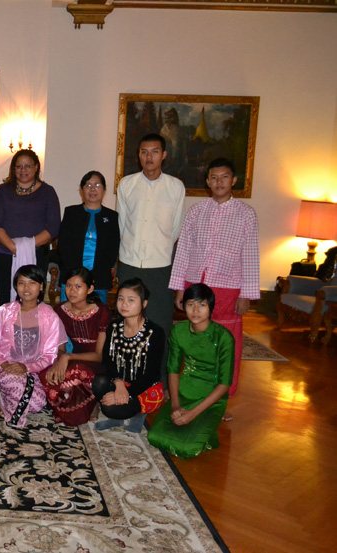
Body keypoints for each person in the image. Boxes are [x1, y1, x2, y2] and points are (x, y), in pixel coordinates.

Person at [169, 158, 259, 411]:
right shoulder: (196, 212)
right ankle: (191, 392)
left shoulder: (246, 214)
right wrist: (179, 287)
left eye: (225, 177)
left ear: (234, 180)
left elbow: (250, 255)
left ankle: (222, 401)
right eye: (214, 178)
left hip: (228, 287)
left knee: (226, 342)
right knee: (196, 340)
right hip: (196, 285)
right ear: (207, 181)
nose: (219, 182)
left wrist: (247, 295)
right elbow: (184, 250)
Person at [116, 133, 185, 385]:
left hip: (160, 265)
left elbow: (175, 229)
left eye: (155, 151)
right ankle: (125, 377)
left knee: (160, 323)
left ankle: (159, 381)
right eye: (144, 152)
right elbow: (123, 224)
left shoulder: (175, 187)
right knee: (127, 321)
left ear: (164, 155)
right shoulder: (127, 184)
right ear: (139, 155)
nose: (149, 157)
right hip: (129, 262)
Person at [147, 284, 234, 457]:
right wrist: (175, 405)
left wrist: (192, 414)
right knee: (154, 436)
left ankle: (207, 429)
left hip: (211, 399)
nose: (195, 310)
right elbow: (172, 369)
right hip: (184, 394)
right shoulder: (179, 331)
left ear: (210, 307)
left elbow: (224, 385)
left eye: (202, 305)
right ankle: (200, 428)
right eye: (190, 304)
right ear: (183, 306)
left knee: (188, 449)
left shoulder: (223, 337)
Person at [0, 264, 65, 427]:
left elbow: (50, 355)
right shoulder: (4, 311)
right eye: (21, 283)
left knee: (37, 404)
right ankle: (14, 420)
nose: (26, 288)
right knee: (16, 385)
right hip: (2, 367)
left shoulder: (50, 316)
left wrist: (26, 368)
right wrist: (5, 364)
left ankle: (6, 400)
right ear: (16, 286)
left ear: (41, 286)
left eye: (32, 283)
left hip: (32, 370)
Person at [92, 278, 166, 433]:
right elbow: (107, 361)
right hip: (121, 382)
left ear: (144, 304)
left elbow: (152, 375)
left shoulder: (155, 332)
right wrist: (118, 385)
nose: (124, 304)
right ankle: (120, 415)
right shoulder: (113, 327)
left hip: (145, 388)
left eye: (131, 300)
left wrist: (127, 393)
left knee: (111, 408)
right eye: (121, 299)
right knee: (99, 384)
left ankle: (140, 412)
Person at [0, 149, 61, 305]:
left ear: (36, 167)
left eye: (28, 166)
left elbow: (54, 227)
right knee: (6, 300)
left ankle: (32, 329)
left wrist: (27, 247)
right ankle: (7, 329)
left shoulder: (48, 192)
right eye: (19, 166)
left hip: (36, 255)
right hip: (5, 255)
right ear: (13, 169)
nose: (23, 170)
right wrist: (14, 247)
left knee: (33, 300)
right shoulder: (3, 190)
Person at [42, 268, 110, 426]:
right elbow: (60, 348)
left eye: (78, 286)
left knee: (75, 372)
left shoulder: (101, 311)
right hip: (75, 359)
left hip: (97, 363)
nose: (72, 291)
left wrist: (67, 357)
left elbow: (99, 355)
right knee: (46, 374)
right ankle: (76, 405)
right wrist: (59, 361)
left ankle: (92, 403)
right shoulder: (61, 310)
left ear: (90, 289)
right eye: (69, 285)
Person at [57, 171, 120, 304]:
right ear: (82, 190)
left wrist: (94, 276)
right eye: (88, 185)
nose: (92, 189)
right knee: (68, 317)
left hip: (99, 278)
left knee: (96, 318)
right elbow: (63, 245)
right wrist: (76, 276)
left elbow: (112, 250)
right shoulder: (71, 213)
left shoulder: (112, 216)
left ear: (104, 189)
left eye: (97, 185)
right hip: (72, 276)